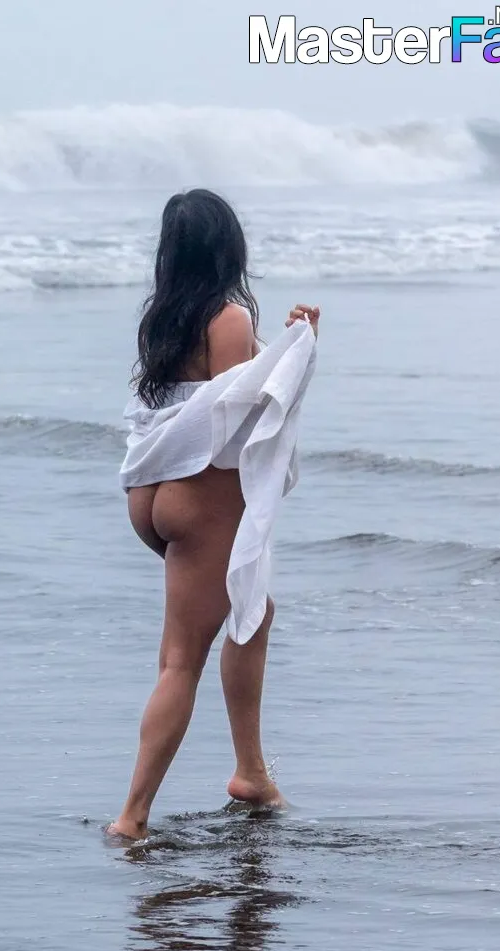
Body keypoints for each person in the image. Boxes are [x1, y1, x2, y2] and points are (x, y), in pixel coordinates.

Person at [108, 189, 319, 842]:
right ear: (229, 246)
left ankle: (251, 772)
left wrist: (284, 344)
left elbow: (191, 400)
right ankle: (131, 816)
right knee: (180, 662)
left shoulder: (161, 318)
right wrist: (297, 350)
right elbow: (239, 415)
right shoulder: (227, 318)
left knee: (252, 611)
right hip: (199, 498)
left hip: (153, 493)